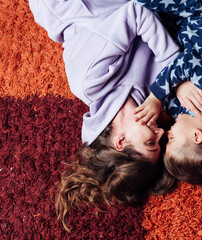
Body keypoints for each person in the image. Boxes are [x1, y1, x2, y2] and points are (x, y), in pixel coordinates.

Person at [28, 0, 181, 232]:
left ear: (120, 141)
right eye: (161, 140)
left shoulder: (90, 81)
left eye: (151, 142)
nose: (161, 131)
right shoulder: (151, 95)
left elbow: (136, 13)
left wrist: (175, 69)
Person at [133, 0, 202, 185]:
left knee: (136, 16)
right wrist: (155, 98)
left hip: (176, 25)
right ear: (196, 136)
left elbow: (162, 64)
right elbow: (187, 62)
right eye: (172, 138)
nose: (167, 131)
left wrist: (174, 88)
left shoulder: (175, 111)